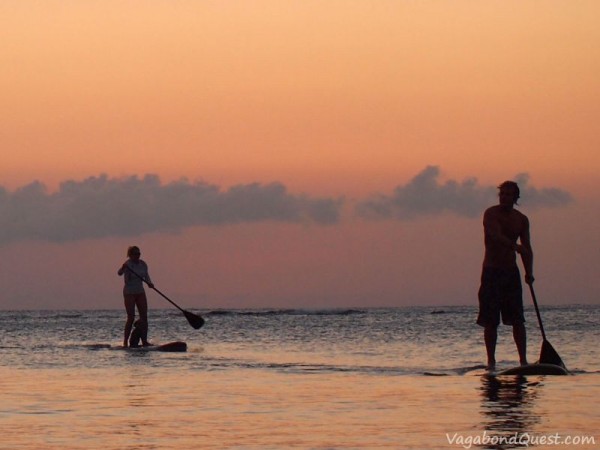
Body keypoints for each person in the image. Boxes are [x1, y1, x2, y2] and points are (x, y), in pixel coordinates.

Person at [477, 181, 534, 371]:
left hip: (511, 273)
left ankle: (523, 361)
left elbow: (527, 249)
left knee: (518, 320)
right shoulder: (490, 214)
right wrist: (514, 246)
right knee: (491, 321)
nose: (504, 197)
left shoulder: (521, 219)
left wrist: (529, 272)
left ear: (516, 198)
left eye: (509, 195)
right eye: (502, 194)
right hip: (492, 272)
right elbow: (494, 235)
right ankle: (491, 361)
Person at [118, 246, 154, 347]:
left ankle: (144, 341)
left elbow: (146, 276)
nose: (137, 256)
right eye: (135, 254)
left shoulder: (143, 264)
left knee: (144, 317)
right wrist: (123, 267)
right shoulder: (128, 264)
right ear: (130, 255)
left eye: (139, 254)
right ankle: (125, 342)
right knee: (131, 317)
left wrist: (149, 283)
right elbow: (119, 273)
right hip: (129, 292)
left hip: (140, 291)